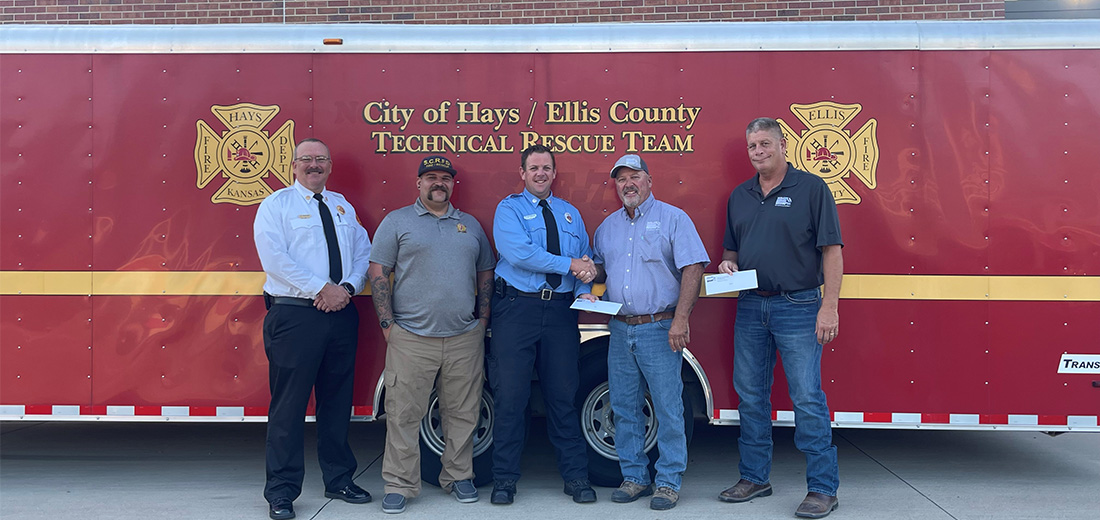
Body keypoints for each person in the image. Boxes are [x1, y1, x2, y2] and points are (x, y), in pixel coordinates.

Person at [717, 117, 844, 519]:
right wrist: (726, 264)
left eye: (765, 143)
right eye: (752, 145)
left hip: (800, 305)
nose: (758, 151)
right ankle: (755, 478)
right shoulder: (739, 196)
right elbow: (732, 252)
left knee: (807, 396)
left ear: (783, 144)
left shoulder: (811, 189)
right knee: (751, 395)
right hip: (751, 306)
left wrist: (830, 306)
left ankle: (823, 488)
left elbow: (832, 251)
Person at [367, 156, 496, 514]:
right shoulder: (397, 222)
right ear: (419, 183)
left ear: (453, 185)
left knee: (463, 412)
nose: (438, 183)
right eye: (431, 178)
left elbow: (486, 271)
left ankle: (458, 476)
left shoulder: (469, 225)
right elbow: (379, 270)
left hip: (463, 337)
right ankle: (399, 484)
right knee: (403, 414)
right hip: (410, 336)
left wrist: (482, 319)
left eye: (445, 178)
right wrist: (388, 326)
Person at [253, 138, 373, 520]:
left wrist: (349, 288)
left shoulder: (341, 206)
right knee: (288, 407)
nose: (314, 165)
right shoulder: (276, 206)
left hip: (341, 313)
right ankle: (282, 492)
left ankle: (339, 479)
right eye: (306, 159)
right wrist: (321, 289)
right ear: (293, 166)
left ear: (330, 165)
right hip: (295, 316)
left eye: (321, 159)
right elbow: (274, 259)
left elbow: (363, 252)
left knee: (337, 403)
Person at [591, 154, 709, 511]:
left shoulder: (673, 218)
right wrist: (585, 281)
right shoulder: (606, 228)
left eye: (635, 177)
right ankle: (635, 478)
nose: (628, 184)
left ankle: (669, 481)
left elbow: (694, 268)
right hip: (620, 328)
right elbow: (599, 272)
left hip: (660, 327)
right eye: (621, 179)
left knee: (669, 408)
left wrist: (680, 320)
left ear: (649, 181)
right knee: (625, 407)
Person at [488, 144, 598, 505]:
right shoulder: (509, 209)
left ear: (554, 173)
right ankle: (504, 480)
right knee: (511, 397)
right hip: (517, 311)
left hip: (560, 314)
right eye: (533, 168)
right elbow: (519, 253)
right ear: (522, 173)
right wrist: (571, 266)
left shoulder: (570, 214)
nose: (540, 173)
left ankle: (576, 477)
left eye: (546, 168)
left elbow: (585, 258)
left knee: (563, 396)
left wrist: (585, 291)